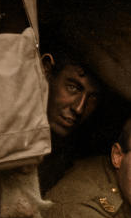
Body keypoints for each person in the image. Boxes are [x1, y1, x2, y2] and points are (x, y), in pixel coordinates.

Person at [37, 49, 102, 194]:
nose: (79, 108)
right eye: (72, 87)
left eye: (93, 98)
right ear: (46, 69)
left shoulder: (80, 155)